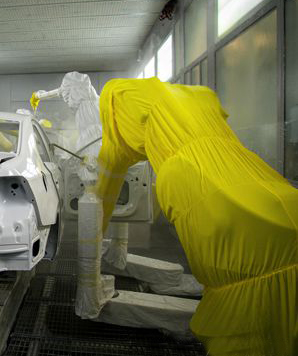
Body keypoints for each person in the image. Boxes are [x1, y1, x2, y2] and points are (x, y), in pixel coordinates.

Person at [94, 77, 297, 356]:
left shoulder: (118, 103)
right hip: (260, 179)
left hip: (202, 189)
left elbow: (106, 183)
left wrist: (93, 236)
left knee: (243, 323)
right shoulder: (200, 95)